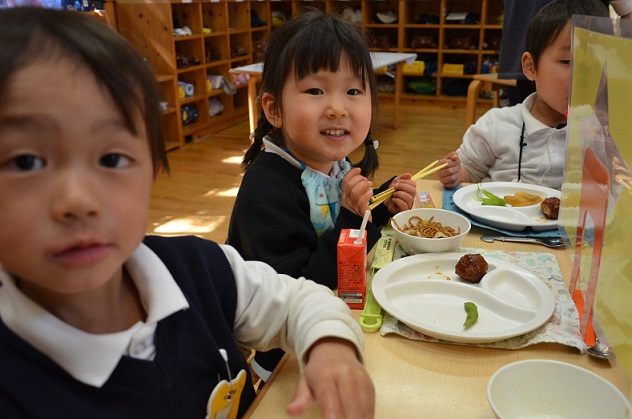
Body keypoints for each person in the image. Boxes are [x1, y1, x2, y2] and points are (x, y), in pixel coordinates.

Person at [0, 7, 375, 419]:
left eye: (110, 158)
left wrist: (329, 345)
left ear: (153, 170)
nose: (77, 201)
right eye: (25, 162)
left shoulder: (199, 270)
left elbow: (300, 301)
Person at [225, 9, 417, 382]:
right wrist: (351, 217)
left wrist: (377, 206)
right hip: (286, 358)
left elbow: (329, 221)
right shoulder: (267, 189)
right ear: (274, 110)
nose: (336, 107)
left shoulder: (331, 164)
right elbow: (303, 287)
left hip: (335, 324)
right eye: (315, 90)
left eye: (353, 90)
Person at [436, 0, 611, 190]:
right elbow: (470, 170)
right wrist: (454, 173)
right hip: (497, 217)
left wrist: (608, 141)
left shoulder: (601, 132)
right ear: (530, 66)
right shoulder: (496, 125)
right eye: (568, 61)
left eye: (598, 63)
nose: (585, 77)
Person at [498, 0, 632, 105]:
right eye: (568, 61)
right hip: (524, 52)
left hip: (592, 42)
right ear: (530, 66)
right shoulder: (493, 129)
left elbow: (628, 10)